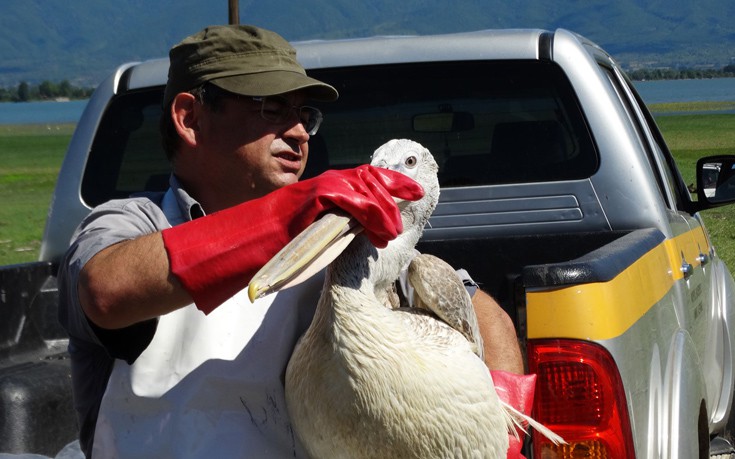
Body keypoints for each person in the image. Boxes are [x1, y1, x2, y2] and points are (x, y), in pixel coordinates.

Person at [58, 24, 528, 458]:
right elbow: (107, 291)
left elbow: (478, 311)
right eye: (271, 109)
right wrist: (294, 213)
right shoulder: (130, 225)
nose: (300, 132)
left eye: (304, 114)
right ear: (190, 117)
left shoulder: (333, 235)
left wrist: (499, 425)